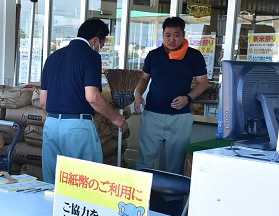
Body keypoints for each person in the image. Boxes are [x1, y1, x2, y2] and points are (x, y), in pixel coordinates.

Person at [40, 18, 128, 184]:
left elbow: (43, 102)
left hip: (51, 124)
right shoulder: (91, 57)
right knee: (84, 183)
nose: (100, 49)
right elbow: (92, 96)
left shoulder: (53, 57)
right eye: (101, 45)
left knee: (51, 183)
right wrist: (115, 117)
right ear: (95, 40)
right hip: (77, 127)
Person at [134, 16, 208, 175]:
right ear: (163, 35)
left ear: (183, 35)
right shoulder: (153, 55)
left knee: (175, 163)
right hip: (153, 114)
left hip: (180, 118)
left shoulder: (194, 56)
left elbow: (203, 83)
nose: (172, 39)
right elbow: (144, 78)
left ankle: (170, 199)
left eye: (176, 35)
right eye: (168, 35)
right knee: (145, 159)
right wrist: (138, 94)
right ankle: (140, 198)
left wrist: (187, 98)